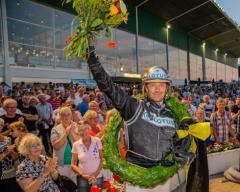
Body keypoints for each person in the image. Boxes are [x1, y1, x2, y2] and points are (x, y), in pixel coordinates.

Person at [86, 40, 201, 191]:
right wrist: (92, 58)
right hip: (137, 180)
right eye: (153, 85)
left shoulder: (173, 115)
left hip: (163, 179)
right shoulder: (132, 107)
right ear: (146, 87)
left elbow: (176, 143)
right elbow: (107, 86)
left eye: (161, 85)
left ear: (167, 88)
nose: (157, 89)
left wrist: (181, 148)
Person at [71, 123, 104, 192]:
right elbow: (73, 164)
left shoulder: (97, 141)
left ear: (89, 129)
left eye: (85, 129)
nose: (82, 132)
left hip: (98, 176)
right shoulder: (76, 144)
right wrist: (82, 174)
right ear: (78, 132)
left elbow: (102, 158)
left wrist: (96, 174)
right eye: (80, 130)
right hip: (83, 178)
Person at [51, 107, 79, 183]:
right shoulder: (55, 129)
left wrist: (72, 131)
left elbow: (80, 143)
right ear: (60, 116)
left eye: (68, 114)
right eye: (63, 115)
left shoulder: (77, 126)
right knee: (65, 187)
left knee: (75, 187)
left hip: (75, 164)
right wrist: (66, 133)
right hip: (61, 165)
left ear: (71, 115)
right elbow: (56, 146)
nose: (66, 117)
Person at [0, 118, 21, 192]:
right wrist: (6, 152)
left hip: (12, 174)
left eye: (1, 125)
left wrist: (12, 152)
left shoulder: (8, 139)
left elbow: (15, 158)